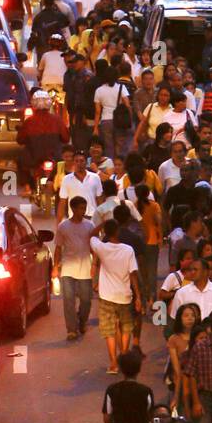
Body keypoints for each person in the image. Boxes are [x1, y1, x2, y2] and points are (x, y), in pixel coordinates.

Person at [91, 218, 142, 373]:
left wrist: (102, 223)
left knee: (109, 331)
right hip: (125, 296)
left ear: (105, 232)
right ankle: (124, 355)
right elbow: (133, 274)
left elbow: (91, 235)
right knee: (126, 328)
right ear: (118, 231)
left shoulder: (101, 248)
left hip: (107, 297)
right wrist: (138, 296)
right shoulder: (128, 250)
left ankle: (113, 363)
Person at [53, 195, 96, 340]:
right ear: (73, 209)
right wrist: (55, 267)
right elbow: (58, 248)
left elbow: (94, 248)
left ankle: (82, 321)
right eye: (81, 208)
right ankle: (71, 329)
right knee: (68, 300)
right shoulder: (63, 226)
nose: (83, 211)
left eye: (84, 208)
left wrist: (95, 264)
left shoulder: (90, 225)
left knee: (86, 300)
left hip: (85, 269)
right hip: (68, 269)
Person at [16, 89, 69, 192]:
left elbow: (20, 140)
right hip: (55, 157)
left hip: (33, 158)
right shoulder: (57, 120)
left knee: (20, 161)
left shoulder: (29, 121)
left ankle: (27, 187)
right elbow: (66, 138)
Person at [56, 149, 103, 222]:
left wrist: (102, 220)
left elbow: (99, 200)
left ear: (86, 162)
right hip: (74, 219)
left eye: (81, 161)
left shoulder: (95, 177)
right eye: (76, 161)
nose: (79, 163)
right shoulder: (66, 179)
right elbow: (62, 203)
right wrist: (59, 224)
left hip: (93, 218)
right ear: (73, 163)